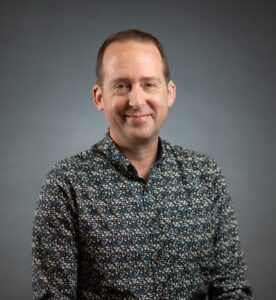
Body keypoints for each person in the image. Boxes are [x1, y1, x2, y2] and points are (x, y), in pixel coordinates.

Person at [32, 29, 253, 299]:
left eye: (149, 84)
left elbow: (231, 290)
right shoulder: (66, 185)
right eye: (121, 85)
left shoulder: (205, 176)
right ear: (99, 97)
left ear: (169, 93)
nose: (137, 101)